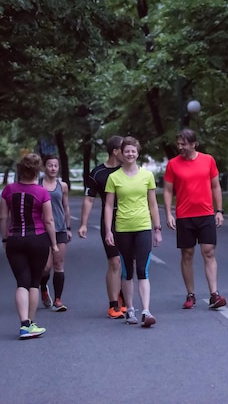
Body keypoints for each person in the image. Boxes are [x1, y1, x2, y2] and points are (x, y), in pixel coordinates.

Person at [163, 129, 227, 310]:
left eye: (183, 144)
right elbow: (168, 190)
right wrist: (168, 213)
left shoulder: (208, 160)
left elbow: (216, 186)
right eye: (179, 143)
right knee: (187, 255)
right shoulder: (173, 164)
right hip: (184, 216)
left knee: (209, 252)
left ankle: (214, 294)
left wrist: (219, 210)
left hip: (206, 214)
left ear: (194, 144)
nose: (180, 147)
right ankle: (190, 294)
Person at [103, 137, 162, 327]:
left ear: (138, 153)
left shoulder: (147, 176)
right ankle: (130, 309)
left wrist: (157, 228)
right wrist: (108, 231)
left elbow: (153, 203)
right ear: (121, 153)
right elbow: (108, 205)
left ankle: (146, 310)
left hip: (143, 226)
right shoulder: (114, 178)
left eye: (133, 151)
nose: (130, 154)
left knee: (142, 270)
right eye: (126, 151)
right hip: (122, 228)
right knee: (127, 271)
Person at [0, 153, 59, 339]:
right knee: (34, 282)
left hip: (15, 240)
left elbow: (3, 218)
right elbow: (49, 221)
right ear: (37, 170)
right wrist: (55, 244)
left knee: (21, 282)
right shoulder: (42, 192)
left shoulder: (8, 190)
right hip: (38, 239)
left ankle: (24, 323)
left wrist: (4, 239)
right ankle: (30, 325)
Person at [78, 135, 127, 319]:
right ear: (116, 151)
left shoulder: (129, 170)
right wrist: (83, 224)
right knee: (114, 261)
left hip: (130, 220)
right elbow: (89, 199)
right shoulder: (97, 173)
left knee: (129, 262)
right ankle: (113, 304)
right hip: (110, 221)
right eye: (124, 149)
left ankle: (123, 296)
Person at [39, 155, 72, 312]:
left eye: (55, 166)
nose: (53, 168)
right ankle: (43, 286)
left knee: (59, 263)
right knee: (46, 267)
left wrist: (68, 227)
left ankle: (58, 299)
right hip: (42, 229)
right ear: (44, 167)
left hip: (59, 228)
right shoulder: (38, 185)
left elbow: (65, 207)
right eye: (50, 165)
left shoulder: (62, 186)